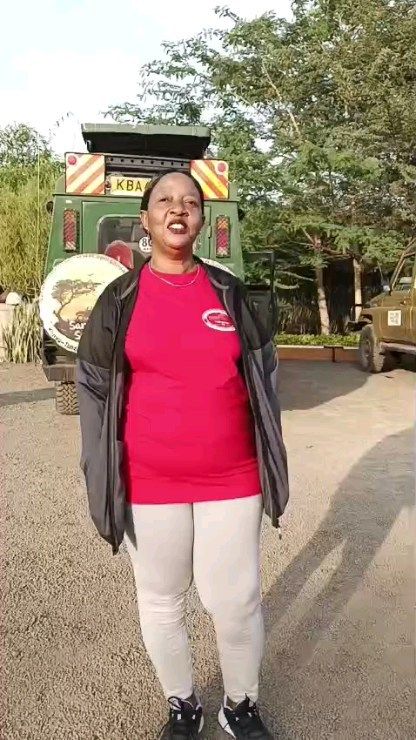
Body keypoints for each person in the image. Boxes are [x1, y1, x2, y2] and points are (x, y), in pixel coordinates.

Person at [76, 170, 289, 739]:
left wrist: (272, 451)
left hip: (233, 476)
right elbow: (93, 387)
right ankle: (184, 705)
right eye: (165, 201)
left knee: (236, 600)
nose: (178, 209)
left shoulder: (229, 293)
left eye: (190, 202)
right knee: (162, 599)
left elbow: (264, 374)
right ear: (146, 220)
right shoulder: (119, 300)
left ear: (201, 220)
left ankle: (240, 706)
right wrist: (99, 469)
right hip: (149, 481)